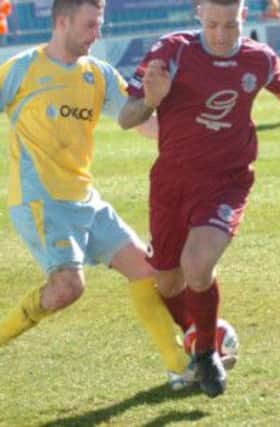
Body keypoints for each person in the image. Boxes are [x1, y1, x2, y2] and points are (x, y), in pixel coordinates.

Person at [0, 0, 193, 391]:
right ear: (62, 21)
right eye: (90, 25)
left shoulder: (99, 74)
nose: (97, 33)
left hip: (87, 200)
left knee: (146, 270)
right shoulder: (21, 69)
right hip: (41, 202)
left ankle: (181, 368)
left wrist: (188, 134)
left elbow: (138, 121)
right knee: (68, 288)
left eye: (99, 24)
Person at [118, 0, 280, 398]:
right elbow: (125, 118)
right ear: (199, 12)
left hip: (226, 181)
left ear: (244, 17)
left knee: (197, 265)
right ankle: (199, 333)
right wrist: (152, 99)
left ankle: (205, 354)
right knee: (167, 282)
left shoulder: (259, 59)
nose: (221, 35)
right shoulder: (173, 50)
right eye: (213, 24)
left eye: (230, 26)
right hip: (172, 183)